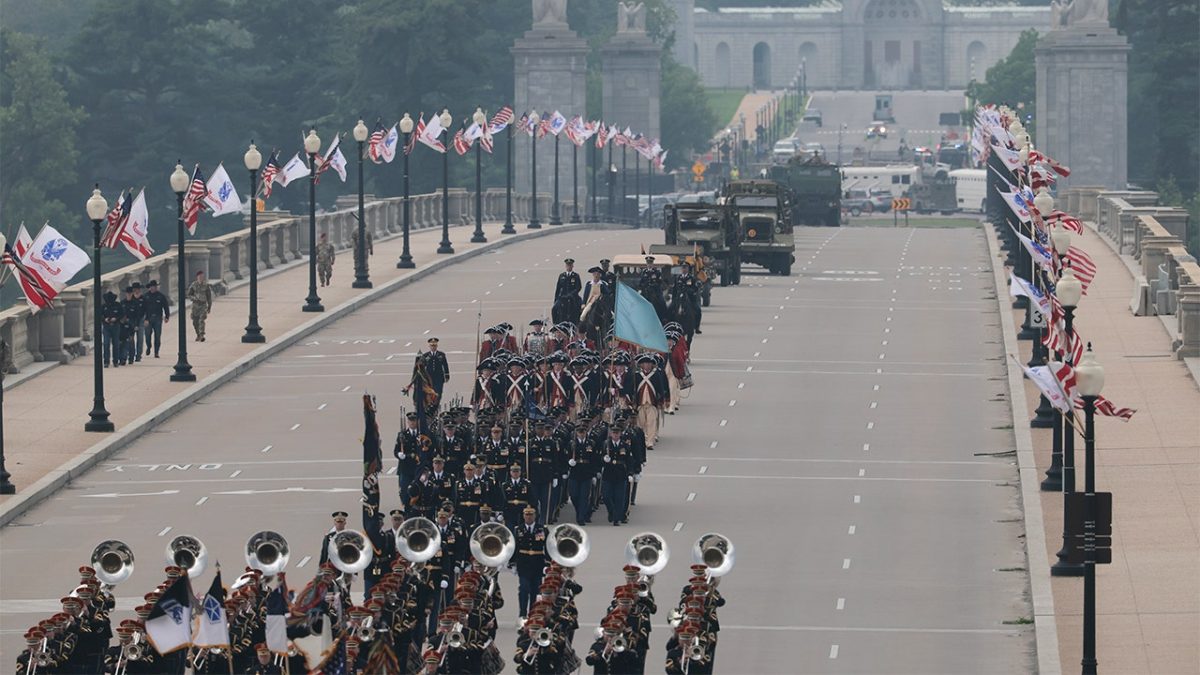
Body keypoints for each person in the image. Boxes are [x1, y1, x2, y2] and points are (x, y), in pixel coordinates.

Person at [510, 507, 548, 624]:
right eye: (526, 515)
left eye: (531, 515)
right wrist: (513, 563)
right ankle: (522, 613)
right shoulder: (518, 530)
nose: (528, 517)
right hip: (524, 563)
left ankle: (533, 612)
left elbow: (547, 546)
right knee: (524, 588)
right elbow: (514, 547)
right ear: (523, 516)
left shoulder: (542, 529)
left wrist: (548, 563)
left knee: (536, 590)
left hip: (537, 563)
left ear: (535, 516)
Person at [629, 354, 668, 450]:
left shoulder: (656, 374)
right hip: (640, 403)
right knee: (641, 424)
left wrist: (662, 400)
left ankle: (650, 442)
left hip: (652, 403)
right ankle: (642, 441)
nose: (647, 365)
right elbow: (633, 389)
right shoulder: (637, 375)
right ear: (641, 365)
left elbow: (660, 388)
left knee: (651, 422)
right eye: (645, 363)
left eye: (649, 363)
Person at [142, 279, 169, 358]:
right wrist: (144, 319)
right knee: (147, 335)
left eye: (154, 286)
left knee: (157, 336)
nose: (153, 288)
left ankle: (156, 352)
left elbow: (165, 307)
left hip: (158, 318)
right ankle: (149, 346)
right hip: (148, 319)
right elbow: (142, 309)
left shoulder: (161, 296)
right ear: (149, 288)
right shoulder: (145, 296)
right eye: (151, 287)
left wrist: (167, 316)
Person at [186, 270, 213, 342]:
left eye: (202, 276)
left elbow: (209, 297)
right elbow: (189, 294)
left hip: (203, 305)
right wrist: (193, 298)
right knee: (195, 321)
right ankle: (198, 334)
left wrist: (209, 306)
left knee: (201, 320)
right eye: (200, 276)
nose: (201, 278)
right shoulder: (193, 285)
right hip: (195, 305)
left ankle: (202, 335)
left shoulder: (206, 285)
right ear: (197, 277)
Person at [553, 258, 582, 325]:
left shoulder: (575, 276)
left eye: (570, 265)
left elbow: (578, 287)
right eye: (568, 265)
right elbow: (558, 288)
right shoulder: (562, 276)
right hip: (563, 297)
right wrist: (556, 299)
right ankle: (555, 325)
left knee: (581, 308)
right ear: (566, 266)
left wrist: (571, 294)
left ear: (572, 266)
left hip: (573, 297)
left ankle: (578, 324)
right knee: (554, 309)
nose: (569, 266)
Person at [101, 291, 122, 367]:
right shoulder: (103, 306)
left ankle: (115, 361)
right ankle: (106, 361)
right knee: (106, 344)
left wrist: (115, 318)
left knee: (116, 344)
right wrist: (104, 319)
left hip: (115, 326)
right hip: (106, 327)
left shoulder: (118, 305)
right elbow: (100, 315)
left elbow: (121, 314)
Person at [127, 282, 146, 361]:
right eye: (134, 289)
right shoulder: (131, 299)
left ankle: (138, 355)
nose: (135, 291)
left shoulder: (143, 298)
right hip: (131, 320)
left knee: (140, 338)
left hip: (141, 320)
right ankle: (131, 354)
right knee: (130, 338)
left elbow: (147, 309)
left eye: (137, 289)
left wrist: (147, 319)